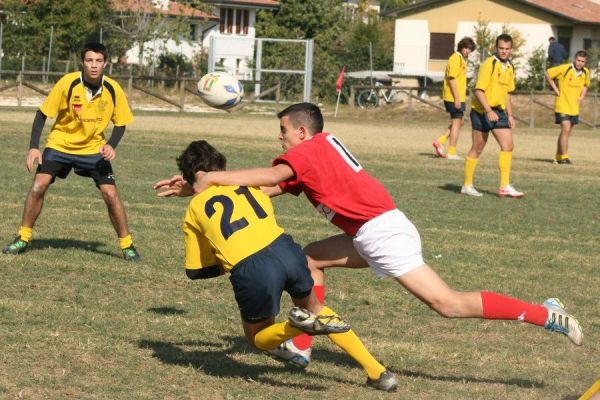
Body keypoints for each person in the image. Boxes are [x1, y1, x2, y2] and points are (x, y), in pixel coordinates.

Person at [155, 103, 583, 372]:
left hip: (382, 233)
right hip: (371, 231)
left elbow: (268, 175)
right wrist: (198, 187)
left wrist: (211, 175)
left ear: (301, 131)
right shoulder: (314, 153)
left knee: (448, 305)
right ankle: (303, 347)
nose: (280, 138)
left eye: (282, 131)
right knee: (309, 259)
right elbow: (258, 193)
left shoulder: (308, 150)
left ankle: (544, 313)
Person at [175, 140, 397, 392]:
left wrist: (227, 259)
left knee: (257, 339)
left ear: (191, 177)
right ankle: (378, 372)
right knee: (316, 308)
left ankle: (296, 326)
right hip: (287, 250)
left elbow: (196, 271)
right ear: (222, 169)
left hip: (253, 268)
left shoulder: (194, 208)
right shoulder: (246, 185)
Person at [2, 42, 140, 261]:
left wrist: (111, 144)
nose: (93, 65)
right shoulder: (68, 83)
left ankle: (127, 245)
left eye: (98, 61)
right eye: (89, 60)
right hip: (60, 145)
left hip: (93, 149)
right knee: (38, 186)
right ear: (82, 62)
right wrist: (33, 148)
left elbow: (121, 122)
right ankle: (23, 237)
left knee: (111, 194)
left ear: (105, 63)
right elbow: (42, 114)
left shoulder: (113, 89)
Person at [461, 34, 524, 198]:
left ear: (511, 50)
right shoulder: (489, 64)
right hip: (482, 111)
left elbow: (508, 94)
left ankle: (504, 186)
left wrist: (510, 115)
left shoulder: (509, 67)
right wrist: (488, 110)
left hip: (500, 113)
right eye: (501, 48)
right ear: (496, 48)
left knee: (508, 146)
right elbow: (479, 90)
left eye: (507, 49)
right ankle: (467, 185)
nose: (504, 51)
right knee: (478, 148)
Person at [432, 37, 476, 160]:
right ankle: (451, 152)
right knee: (456, 123)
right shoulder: (456, 58)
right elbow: (452, 79)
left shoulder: (461, 59)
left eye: (470, 49)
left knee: (460, 122)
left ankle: (440, 141)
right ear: (461, 47)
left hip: (458, 97)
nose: (468, 51)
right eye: (466, 48)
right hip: (453, 97)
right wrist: (457, 98)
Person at [544, 50, 590, 165]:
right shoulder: (566, 68)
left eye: (582, 61)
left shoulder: (586, 72)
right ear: (575, 59)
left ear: (585, 62)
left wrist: (581, 97)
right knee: (566, 129)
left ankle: (558, 156)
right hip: (562, 105)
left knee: (567, 132)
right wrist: (555, 89)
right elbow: (548, 74)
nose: (580, 63)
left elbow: (586, 85)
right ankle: (564, 157)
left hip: (574, 107)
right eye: (578, 60)